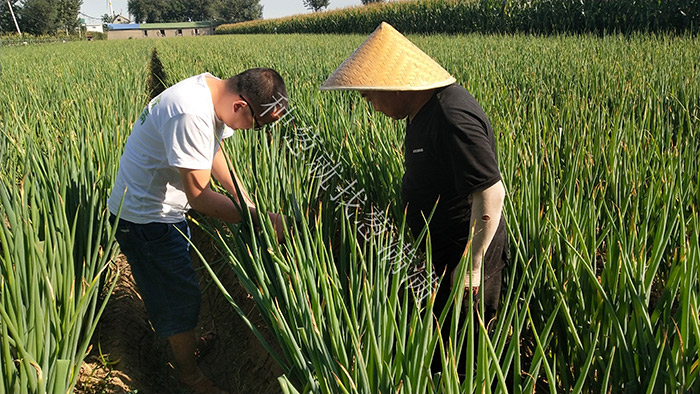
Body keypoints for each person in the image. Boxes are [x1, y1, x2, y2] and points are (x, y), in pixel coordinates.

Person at [320, 22, 509, 374]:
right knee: (442, 330)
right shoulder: (421, 109)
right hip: (440, 247)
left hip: (464, 252)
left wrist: (472, 263)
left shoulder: (452, 116)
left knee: (469, 341)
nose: (371, 106)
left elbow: (490, 189)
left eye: (370, 96)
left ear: (395, 86)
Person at [107, 68, 288, 394]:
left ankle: (185, 345)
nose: (253, 131)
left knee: (179, 289)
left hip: (162, 213)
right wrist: (258, 219)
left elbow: (212, 149)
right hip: (147, 220)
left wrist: (245, 201)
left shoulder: (211, 91)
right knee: (180, 300)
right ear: (240, 106)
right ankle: (190, 378)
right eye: (257, 125)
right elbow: (200, 198)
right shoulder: (190, 112)